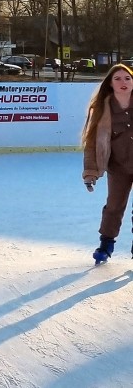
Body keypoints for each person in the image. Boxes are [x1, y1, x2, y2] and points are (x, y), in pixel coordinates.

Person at [82, 63, 133, 264]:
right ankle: (106, 244)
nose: (123, 82)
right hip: (118, 167)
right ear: (110, 84)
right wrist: (90, 172)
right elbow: (92, 143)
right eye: (117, 79)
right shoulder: (102, 109)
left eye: (127, 78)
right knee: (114, 206)